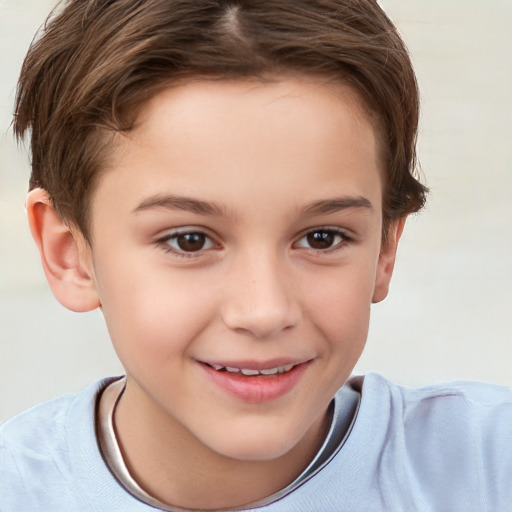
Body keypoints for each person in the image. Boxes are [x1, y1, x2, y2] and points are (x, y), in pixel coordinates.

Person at [0, 0, 510, 510]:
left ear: (385, 248)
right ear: (69, 253)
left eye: (322, 238)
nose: (265, 311)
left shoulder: (489, 467)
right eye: (189, 240)